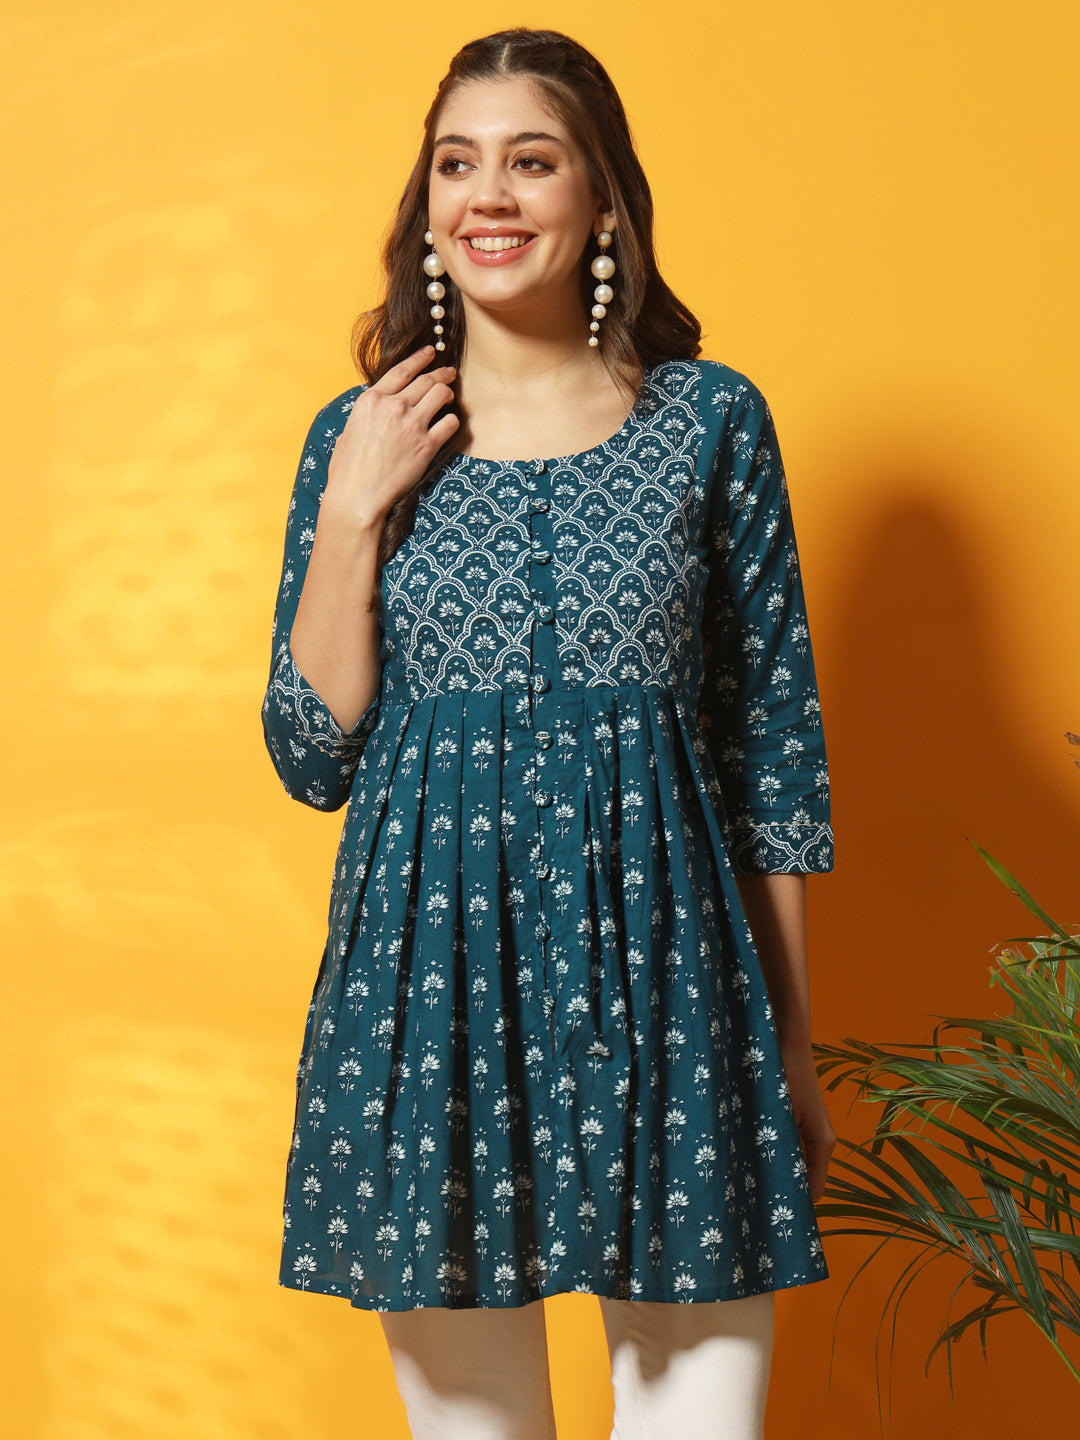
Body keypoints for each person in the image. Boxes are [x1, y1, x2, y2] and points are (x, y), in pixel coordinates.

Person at [262, 26, 836, 1440]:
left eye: (532, 160)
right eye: (457, 164)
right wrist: (353, 511)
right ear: (426, 204)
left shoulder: (710, 421)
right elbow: (310, 752)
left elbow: (773, 757)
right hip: (429, 1002)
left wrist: (792, 1043)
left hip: (674, 994)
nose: (490, 196)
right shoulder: (362, 434)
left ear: (603, 200)